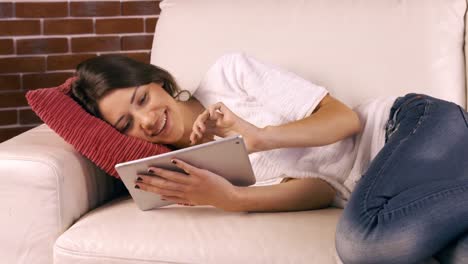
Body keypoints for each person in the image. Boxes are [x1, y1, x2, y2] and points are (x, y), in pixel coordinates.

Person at [71, 53, 468, 264]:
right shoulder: (195, 173)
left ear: (158, 82)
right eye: (126, 124)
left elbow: (344, 120)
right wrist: (229, 198)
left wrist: (259, 137)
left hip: (408, 125)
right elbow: (319, 188)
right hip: (394, 191)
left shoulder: (228, 75)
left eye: (142, 99)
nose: (146, 120)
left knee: (361, 246)